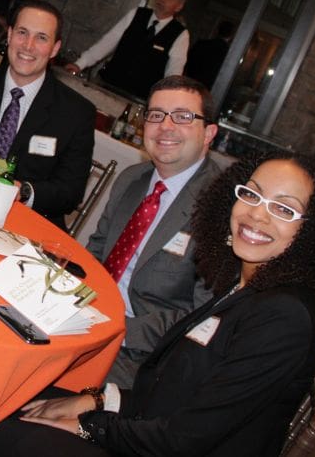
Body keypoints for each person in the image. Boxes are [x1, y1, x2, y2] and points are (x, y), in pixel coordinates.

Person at [0, 151, 315, 457]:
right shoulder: (243, 286)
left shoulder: (283, 317)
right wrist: (96, 400)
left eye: (284, 209)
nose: (257, 214)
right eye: (251, 194)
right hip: (147, 431)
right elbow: (171, 394)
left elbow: (185, 438)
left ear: (312, 232)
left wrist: (88, 425)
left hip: (162, 447)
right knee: (1, 395)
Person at [86, 75, 220, 386]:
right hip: (88, 318)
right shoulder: (132, 178)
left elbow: (202, 313)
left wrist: (115, 329)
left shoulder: (220, 208)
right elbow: (97, 251)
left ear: (209, 133)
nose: (166, 127)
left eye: (183, 117)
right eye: (156, 115)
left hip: (143, 358)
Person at [0, 1, 94, 229]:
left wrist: (24, 191)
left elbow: (70, 192)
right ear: (9, 35)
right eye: (22, 33)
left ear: (55, 49)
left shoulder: (75, 113)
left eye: (41, 38)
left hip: (24, 226)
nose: (28, 45)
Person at [66, 0, 190, 100]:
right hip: (108, 84)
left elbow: (174, 71)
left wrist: (167, 98)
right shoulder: (136, 14)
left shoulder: (180, 34)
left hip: (140, 98)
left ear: (179, 6)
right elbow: (107, 42)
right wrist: (80, 64)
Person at [185, 19, 235, 90]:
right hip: (208, 90)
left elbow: (187, 62)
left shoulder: (201, 44)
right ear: (231, 35)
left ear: (217, 30)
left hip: (190, 84)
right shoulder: (230, 54)